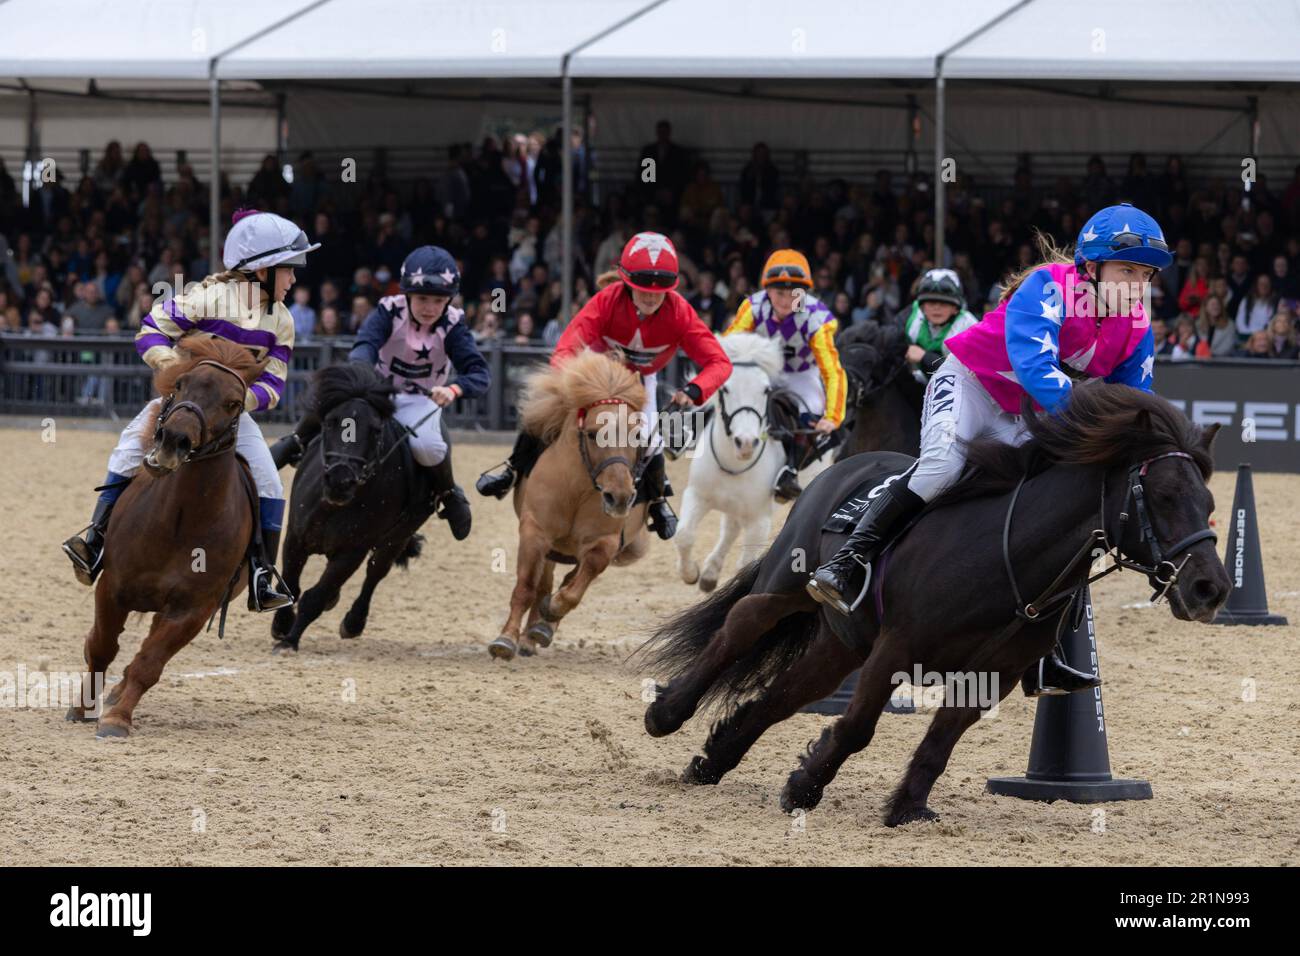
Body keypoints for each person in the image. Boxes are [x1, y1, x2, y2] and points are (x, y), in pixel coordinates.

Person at [807, 203, 1173, 697]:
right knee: (941, 470)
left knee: (1054, 511)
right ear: (1091, 265)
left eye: (1145, 274)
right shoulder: (1048, 287)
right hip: (972, 387)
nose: (1137, 284)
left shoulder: (1136, 325)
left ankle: (1043, 653)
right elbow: (1036, 370)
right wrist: (1096, 423)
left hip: (1026, 413)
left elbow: (1137, 400)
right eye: (1127, 269)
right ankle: (848, 559)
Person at [62, 209, 319, 611]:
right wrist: (174, 372)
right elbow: (151, 331)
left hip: (232, 416)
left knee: (270, 482)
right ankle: (95, 538)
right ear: (261, 269)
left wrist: (239, 401)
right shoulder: (206, 296)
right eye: (289, 270)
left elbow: (274, 384)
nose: (294, 279)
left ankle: (262, 575)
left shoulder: (281, 321)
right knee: (129, 449)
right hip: (181, 403)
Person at [475, 231, 733, 539]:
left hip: (639, 381)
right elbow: (567, 347)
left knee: (651, 438)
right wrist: (566, 382)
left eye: (660, 291)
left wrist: (694, 391)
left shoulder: (680, 313)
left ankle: (657, 499)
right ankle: (512, 469)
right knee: (543, 411)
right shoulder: (607, 300)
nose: (651, 297)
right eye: (642, 290)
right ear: (626, 284)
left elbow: (720, 363)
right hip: (597, 372)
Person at [269, 246, 486, 540]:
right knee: (335, 394)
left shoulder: (454, 323)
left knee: (430, 447)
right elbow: (366, 345)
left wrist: (454, 388)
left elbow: (479, 373)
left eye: (439, 300)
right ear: (407, 294)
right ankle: (296, 440)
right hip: (376, 389)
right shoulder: (388, 310)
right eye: (422, 298)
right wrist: (360, 373)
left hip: (421, 399)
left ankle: (449, 493)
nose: (429, 308)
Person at [721, 249, 846, 500]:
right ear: (767, 290)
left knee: (811, 408)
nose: (786, 299)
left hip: (803, 375)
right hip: (765, 371)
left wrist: (832, 416)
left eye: (794, 292)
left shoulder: (816, 318)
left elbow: (832, 370)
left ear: (804, 292)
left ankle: (790, 471)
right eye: (779, 292)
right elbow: (729, 347)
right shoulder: (752, 307)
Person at [899, 268, 980, 379]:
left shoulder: (969, 328)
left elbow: (970, 376)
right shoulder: (912, 314)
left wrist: (925, 357)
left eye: (944, 303)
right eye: (931, 302)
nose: (937, 307)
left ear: (955, 308)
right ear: (922, 306)